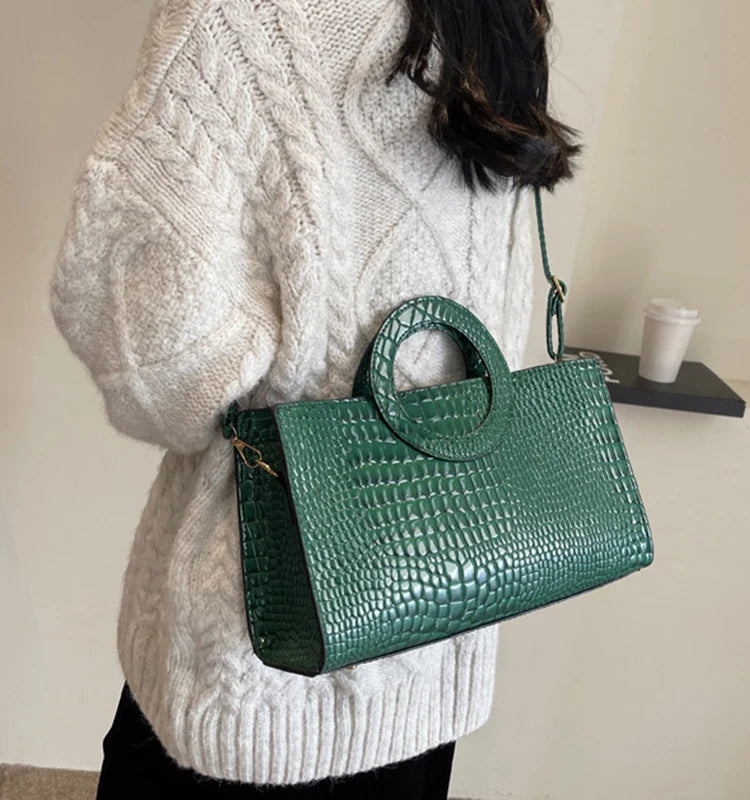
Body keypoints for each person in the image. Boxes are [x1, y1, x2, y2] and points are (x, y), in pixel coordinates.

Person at [49, 0, 580, 797]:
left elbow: (151, 358)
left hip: (260, 667)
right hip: (432, 638)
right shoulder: (499, 14)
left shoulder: (235, 21)